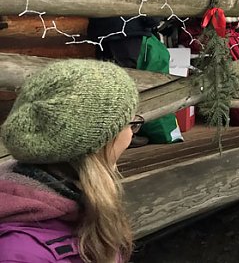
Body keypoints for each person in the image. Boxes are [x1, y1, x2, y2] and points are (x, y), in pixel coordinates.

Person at [0, 60, 140, 262]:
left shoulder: (82, 203)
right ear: (96, 145)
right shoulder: (20, 254)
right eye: (131, 123)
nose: (131, 135)